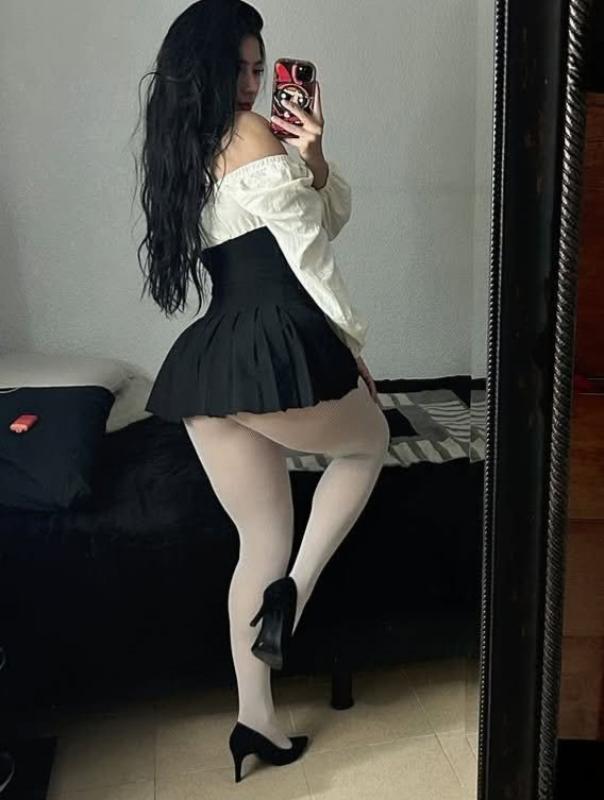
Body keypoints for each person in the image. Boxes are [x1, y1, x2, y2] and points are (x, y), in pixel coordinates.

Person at [133, 0, 390, 783]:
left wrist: (314, 157)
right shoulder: (248, 133)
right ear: (208, 67)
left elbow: (309, 217)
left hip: (210, 360)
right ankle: (293, 598)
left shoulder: (184, 148)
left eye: (257, 68)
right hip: (274, 338)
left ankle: (257, 723)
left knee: (260, 539)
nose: (252, 83)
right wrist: (350, 344)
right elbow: (308, 250)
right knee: (371, 442)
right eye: (240, 68)